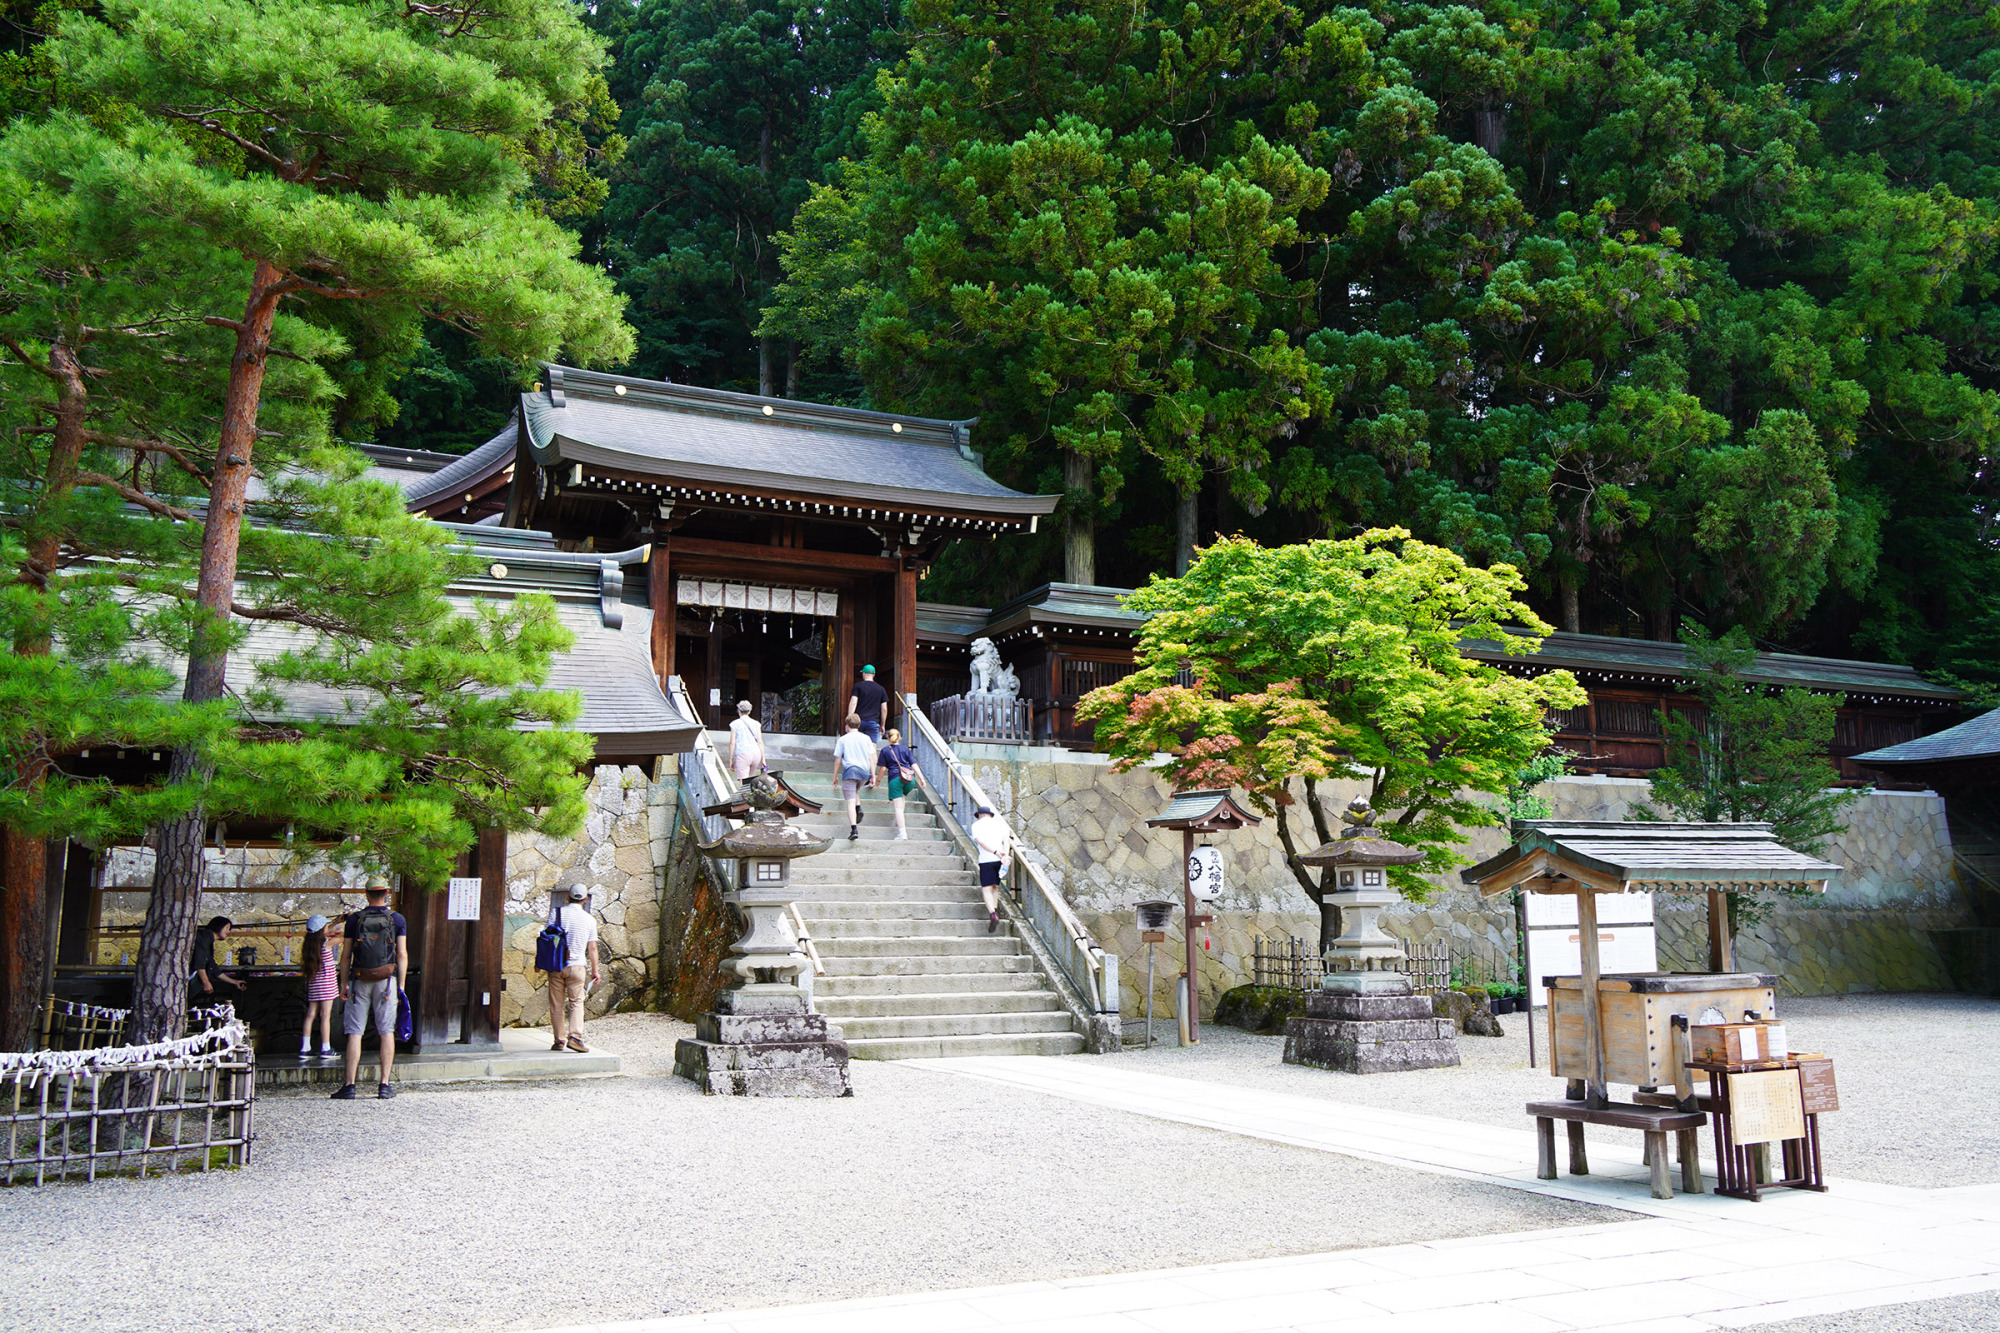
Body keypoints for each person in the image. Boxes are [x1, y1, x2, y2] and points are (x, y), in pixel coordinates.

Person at [331, 877, 407, 1101]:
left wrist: (344, 983)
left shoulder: (354, 920)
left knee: (355, 1032)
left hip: (359, 980)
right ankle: (384, 1085)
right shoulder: (397, 919)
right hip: (386, 980)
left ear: (366, 894)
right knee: (386, 1032)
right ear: (386, 893)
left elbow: (345, 956)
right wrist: (400, 986)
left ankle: (350, 1085)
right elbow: (402, 954)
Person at [545, 884, 601, 1053]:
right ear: (584, 900)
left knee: (557, 1003)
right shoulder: (589, 920)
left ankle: (559, 1040)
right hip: (577, 966)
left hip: (556, 965)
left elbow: (547, 939)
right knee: (576, 1002)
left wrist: (539, 963)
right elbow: (592, 948)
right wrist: (595, 970)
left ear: (567, 897)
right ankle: (575, 1037)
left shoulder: (557, 913)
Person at [299, 914, 339, 1059]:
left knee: (310, 1014)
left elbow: (323, 931)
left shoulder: (309, 945)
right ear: (323, 930)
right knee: (325, 1016)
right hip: (327, 986)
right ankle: (326, 1047)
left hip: (315, 984)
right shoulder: (327, 943)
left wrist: (337, 921)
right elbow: (345, 937)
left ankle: (305, 1048)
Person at [832, 713, 879, 841]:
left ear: (847, 725)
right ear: (859, 725)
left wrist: (835, 776)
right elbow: (871, 758)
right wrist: (873, 775)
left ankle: (854, 829)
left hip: (849, 771)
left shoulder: (843, 739)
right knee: (855, 791)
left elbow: (838, 760)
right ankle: (859, 807)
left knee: (850, 801)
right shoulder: (866, 738)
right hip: (864, 772)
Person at [970, 805, 1012, 933]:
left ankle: (993, 914)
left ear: (980, 815)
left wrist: (995, 852)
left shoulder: (977, 825)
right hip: (1000, 861)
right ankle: (995, 909)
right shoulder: (1000, 824)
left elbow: (980, 841)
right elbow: (1006, 840)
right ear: (990, 815)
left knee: (986, 889)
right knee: (994, 887)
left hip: (987, 859)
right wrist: (1004, 854)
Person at [190, 916, 246, 999]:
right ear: (218, 925)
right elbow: (199, 961)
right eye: (227, 927)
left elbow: (213, 967)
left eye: (229, 929)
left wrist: (234, 982)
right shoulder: (204, 936)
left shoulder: (209, 942)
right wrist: (206, 982)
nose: (228, 931)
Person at [876, 727, 917, 841]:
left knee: (898, 808)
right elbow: (913, 765)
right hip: (910, 779)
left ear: (888, 738)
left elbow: (883, 769)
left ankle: (902, 834)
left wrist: (878, 780)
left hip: (896, 779)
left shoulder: (885, 750)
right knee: (902, 799)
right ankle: (900, 822)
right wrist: (922, 779)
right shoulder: (905, 749)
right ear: (899, 738)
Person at [846, 664, 889, 745]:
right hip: (873, 722)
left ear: (864, 673)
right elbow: (884, 709)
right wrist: (882, 725)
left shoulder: (858, 686)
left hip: (858, 722)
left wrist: (849, 721)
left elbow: (853, 703)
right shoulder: (881, 689)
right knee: (872, 750)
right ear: (874, 674)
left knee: (856, 747)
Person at [728, 698, 765, 779]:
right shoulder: (756, 724)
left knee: (744, 782)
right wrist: (763, 759)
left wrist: (731, 759)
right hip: (756, 754)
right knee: (749, 780)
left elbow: (732, 742)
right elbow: (760, 742)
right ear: (749, 711)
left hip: (743, 753)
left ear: (739, 710)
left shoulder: (735, 724)